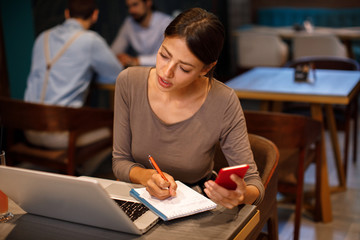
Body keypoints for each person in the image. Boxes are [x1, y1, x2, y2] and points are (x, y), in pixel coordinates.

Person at [112, 8, 264, 209]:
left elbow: (255, 185)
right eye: (164, 55)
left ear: (206, 68)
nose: (166, 73)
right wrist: (146, 176)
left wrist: (241, 195)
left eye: (184, 68)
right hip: (136, 198)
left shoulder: (223, 101)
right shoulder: (129, 82)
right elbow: (120, 161)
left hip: (193, 207)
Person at [24, 0, 123, 150]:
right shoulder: (90, 41)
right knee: (115, 130)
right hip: (59, 135)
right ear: (95, 15)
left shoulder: (42, 37)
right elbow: (118, 75)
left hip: (28, 129)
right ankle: (79, 170)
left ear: (67, 13)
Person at [110, 0, 172, 67]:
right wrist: (120, 58)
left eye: (135, 4)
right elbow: (115, 51)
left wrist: (137, 60)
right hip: (140, 71)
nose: (131, 10)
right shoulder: (129, 23)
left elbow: (168, 56)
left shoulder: (166, 22)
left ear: (148, 3)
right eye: (128, 7)